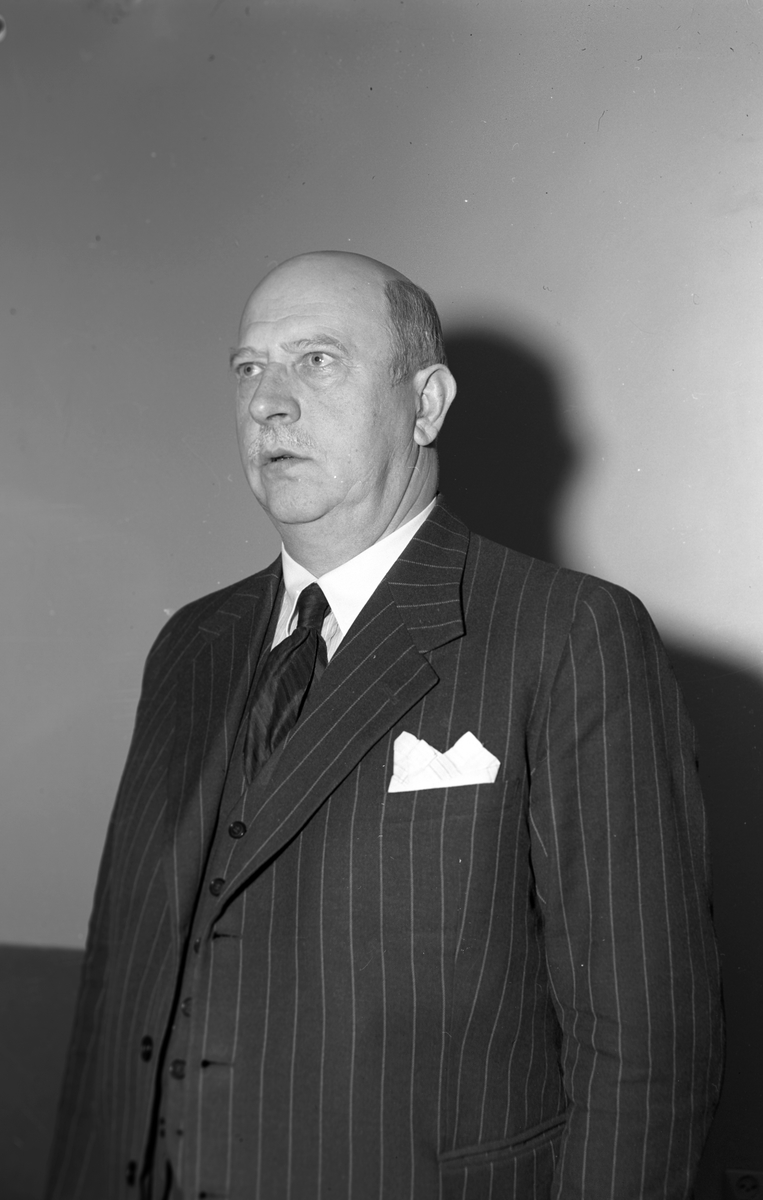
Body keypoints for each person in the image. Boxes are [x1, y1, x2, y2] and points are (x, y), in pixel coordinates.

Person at [46, 252, 723, 1200]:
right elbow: (119, 985)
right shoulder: (191, 645)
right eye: (248, 368)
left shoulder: (566, 632)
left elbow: (645, 1043)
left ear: (426, 404)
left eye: (316, 360)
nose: (267, 403)